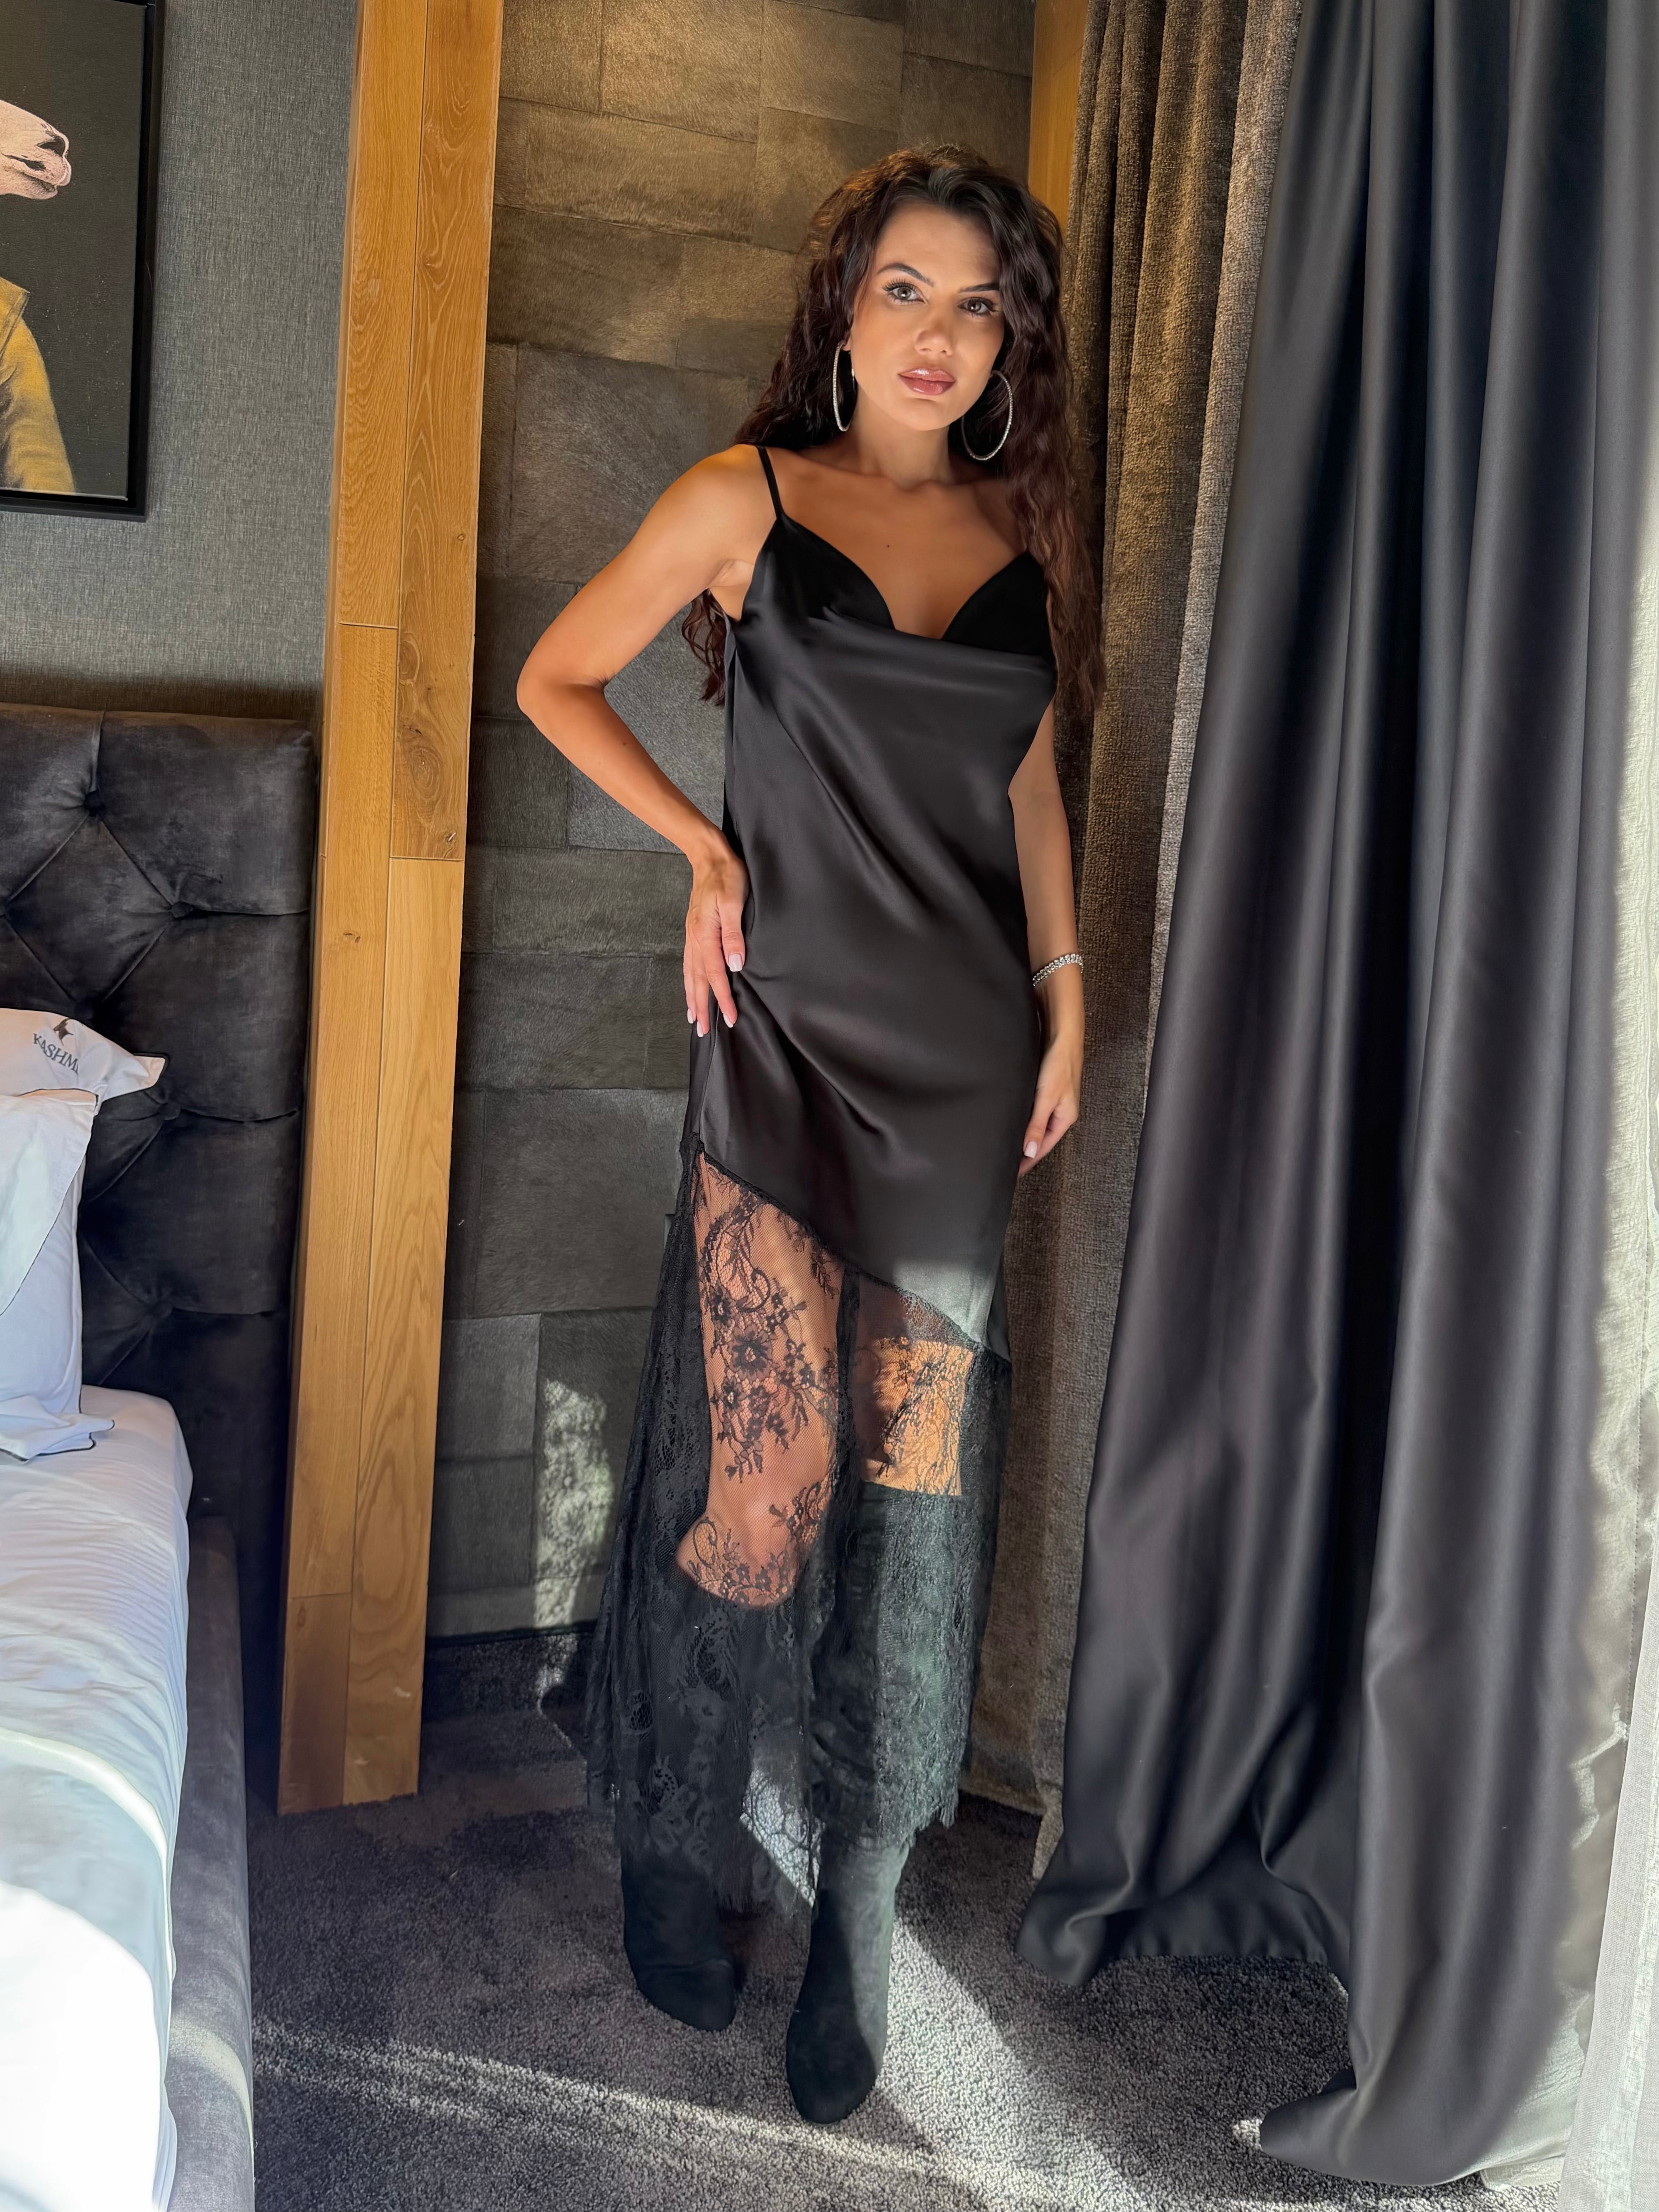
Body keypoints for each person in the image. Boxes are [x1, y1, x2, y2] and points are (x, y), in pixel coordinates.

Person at [516, 144, 1097, 2126]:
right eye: (906, 292)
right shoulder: (738, 499)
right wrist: (699, 845)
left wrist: (1067, 985)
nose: (940, 334)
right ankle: (673, 1837)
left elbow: (1026, 779)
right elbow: (554, 677)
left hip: (958, 1064)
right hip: (775, 1046)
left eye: (977, 305)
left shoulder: (1021, 525)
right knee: (760, 1476)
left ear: (1006, 343)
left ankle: (856, 1901)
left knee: (912, 1493)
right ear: (844, 310)